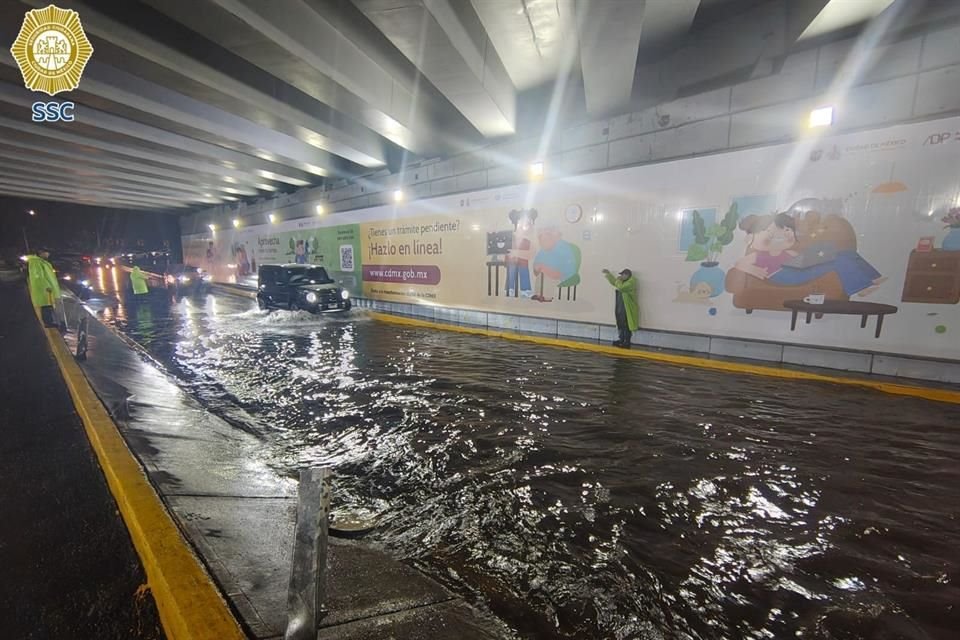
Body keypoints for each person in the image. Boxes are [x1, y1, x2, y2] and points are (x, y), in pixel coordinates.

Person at [603, 268, 639, 348]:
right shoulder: (623, 282)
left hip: (627, 308)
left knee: (626, 325)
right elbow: (615, 282)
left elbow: (621, 287)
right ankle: (621, 339)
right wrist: (608, 274)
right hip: (621, 307)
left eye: (622, 275)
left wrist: (618, 280)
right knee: (620, 323)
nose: (621, 276)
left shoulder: (631, 283)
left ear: (627, 275)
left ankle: (627, 341)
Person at [26, 247, 60, 328]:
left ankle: (50, 321)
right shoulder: (36, 262)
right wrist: (46, 286)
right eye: (47, 252)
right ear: (41, 253)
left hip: (46, 287)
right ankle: (48, 322)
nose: (48, 254)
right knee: (46, 305)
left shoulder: (40, 261)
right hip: (44, 288)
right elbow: (38, 276)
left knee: (48, 305)